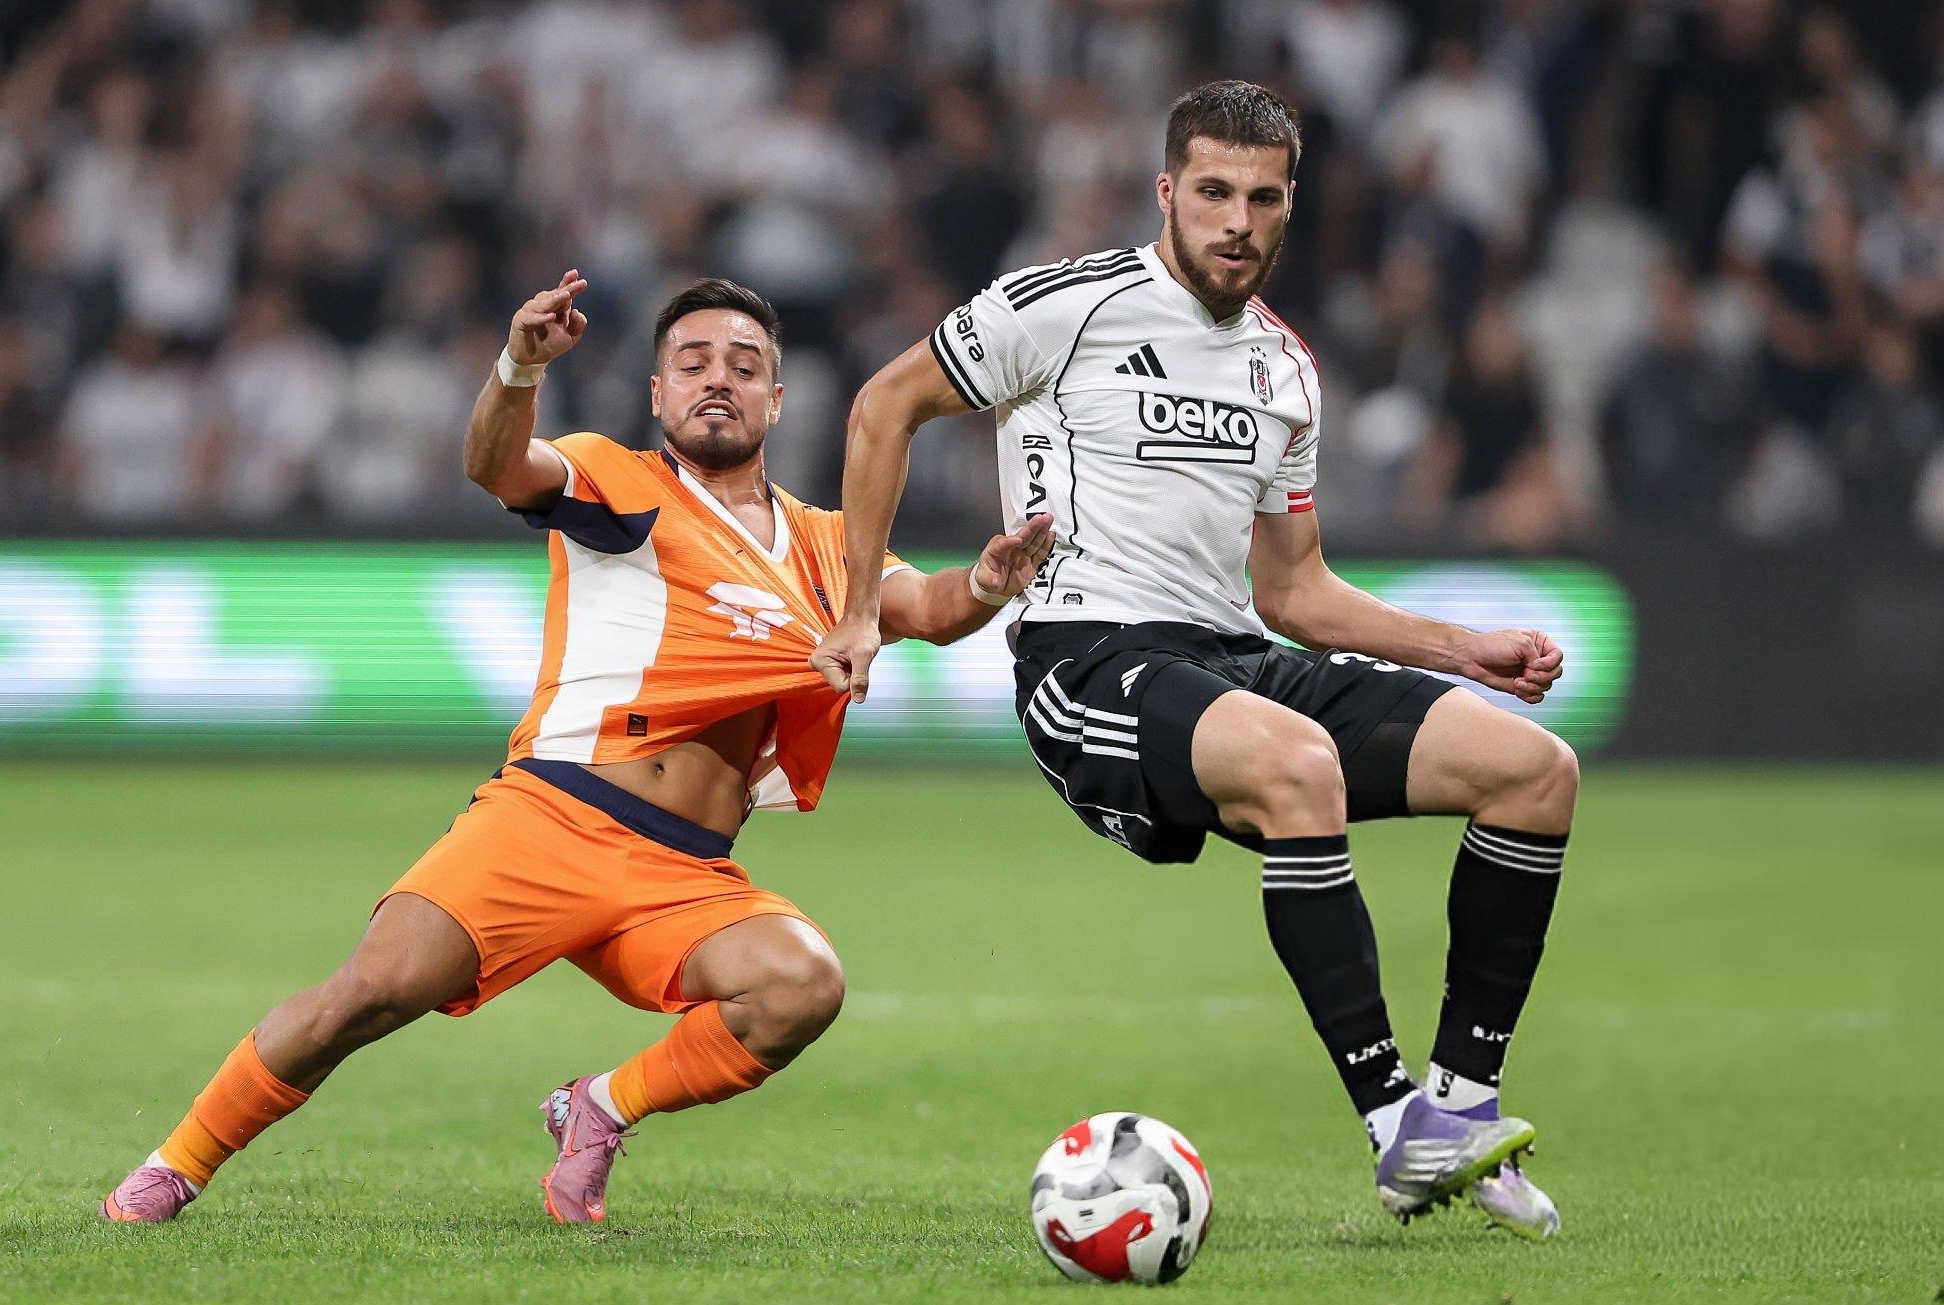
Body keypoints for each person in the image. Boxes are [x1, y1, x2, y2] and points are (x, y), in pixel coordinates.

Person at [102, 273, 1055, 1224]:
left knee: (800, 984)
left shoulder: (825, 545)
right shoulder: (619, 480)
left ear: (776, 399)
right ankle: (173, 1167)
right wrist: (519, 367)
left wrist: (986, 580)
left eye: (742, 366)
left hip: (683, 869)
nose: (716, 380)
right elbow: (496, 465)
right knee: (370, 993)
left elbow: (927, 606)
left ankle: (600, 1106)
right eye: (692, 363)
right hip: (550, 821)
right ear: (658, 393)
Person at [814, 81, 1578, 1240]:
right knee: (1297, 765)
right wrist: (857, 606)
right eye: (1213, 192)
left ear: (1288, 206)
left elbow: (1293, 592)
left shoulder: (1284, 368)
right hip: (1085, 661)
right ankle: (1396, 1126)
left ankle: (1462, 1109)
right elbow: (883, 406)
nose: (1236, 220)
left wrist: (1460, 647)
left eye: (1261, 199)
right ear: (1166, 192)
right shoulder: (1063, 304)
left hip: (1229, 657)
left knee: (1534, 772)